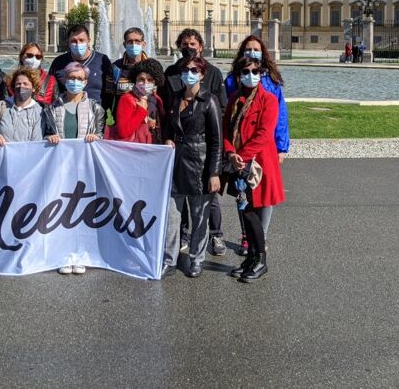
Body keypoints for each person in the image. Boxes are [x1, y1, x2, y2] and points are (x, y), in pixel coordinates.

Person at [161, 28, 228, 257]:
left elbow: (220, 111)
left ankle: (216, 234)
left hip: (201, 148)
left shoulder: (213, 74)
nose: (188, 48)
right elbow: (167, 110)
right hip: (179, 150)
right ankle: (182, 237)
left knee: (207, 200)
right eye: (184, 44)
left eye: (192, 44)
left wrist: (215, 169)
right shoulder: (171, 73)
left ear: (200, 46)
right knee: (177, 204)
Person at [223, 56, 285, 282]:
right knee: (246, 212)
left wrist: (241, 156)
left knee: (254, 214)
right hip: (239, 163)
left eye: (255, 71)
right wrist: (230, 152)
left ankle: (261, 259)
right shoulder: (234, 99)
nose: (251, 75)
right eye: (246, 72)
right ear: (239, 76)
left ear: (261, 74)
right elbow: (226, 130)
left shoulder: (268, 100)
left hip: (259, 164)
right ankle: (251, 257)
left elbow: (264, 134)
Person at [42, 62, 106, 275]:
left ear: (86, 82)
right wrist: (49, 136)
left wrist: (96, 137)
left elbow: (101, 134)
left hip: (84, 168)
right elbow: (45, 133)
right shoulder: (52, 108)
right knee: (61, 210)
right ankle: (64, 254)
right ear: (65, 79)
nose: (75, 82)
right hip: (60, 167)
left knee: (82, 212)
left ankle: (81, 253)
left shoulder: (96, 108)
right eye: (71, 78)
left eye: (79, 79)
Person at [48, 24, 113, 109]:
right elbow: (50, 90)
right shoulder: (59, 62)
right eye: (73, 41)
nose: (78, 44)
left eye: (81, 40)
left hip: (96, 113)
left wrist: (105, 109)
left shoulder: (102, 60)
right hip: (66, 113)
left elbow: (110, 89)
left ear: (88, 41)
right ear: (68, 42)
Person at [111, 61, 166, 144]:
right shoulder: (126, 98)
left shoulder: (156, 98)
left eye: (150, 80)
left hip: (153, 145)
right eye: (141, 79)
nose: (145, 83)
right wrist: (141, 110)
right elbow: (123, 132)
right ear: (135, 79)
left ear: (155, 81)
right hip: (134, 147)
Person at [0, 68, 45, 144]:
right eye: (18, 84)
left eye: (25, 84)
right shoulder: (0, 106)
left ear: (33, 88)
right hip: (3, 151)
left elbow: (37, 141)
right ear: (13, 87)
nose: (21, 86)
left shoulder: (39, 111)